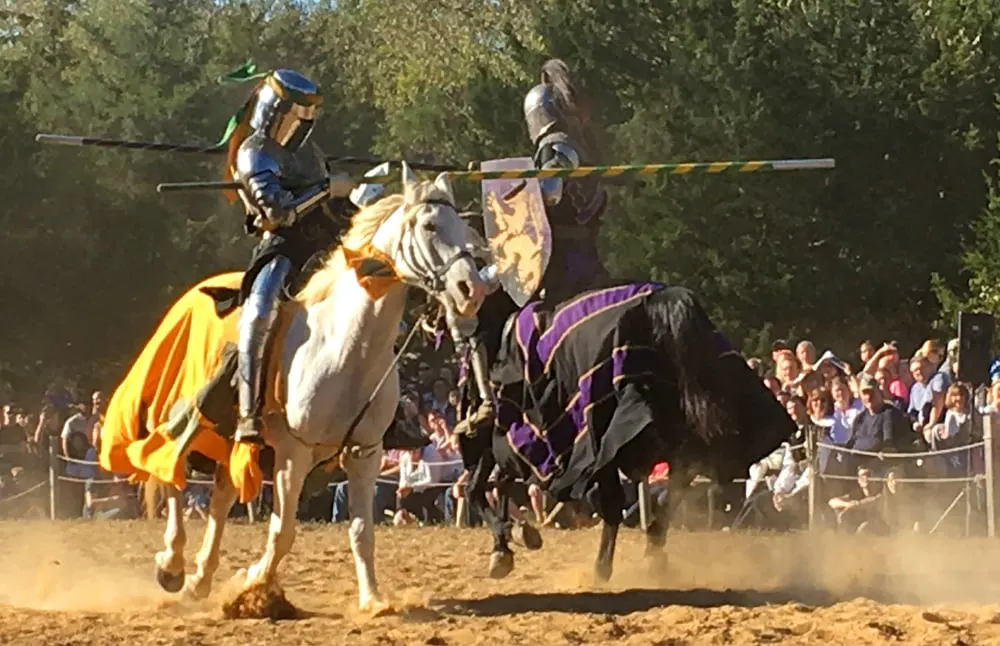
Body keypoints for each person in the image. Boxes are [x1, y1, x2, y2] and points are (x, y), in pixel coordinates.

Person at [226, 68, 358, 445]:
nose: (297, 126)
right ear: (274, 111)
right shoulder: (255, 152)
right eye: (291, 115)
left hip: (324, 244)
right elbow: (276, 214)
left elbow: (336, 206)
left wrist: (354, 198)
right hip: (284, 247)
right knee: (261, 309)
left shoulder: (311, 154)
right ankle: (248, 412)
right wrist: (325, 189)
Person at [522, 58, 611, 304]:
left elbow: (548, 192)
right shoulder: (580, 148)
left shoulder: (557, 145)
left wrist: (518, 191)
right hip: (586, 255)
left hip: (561, 263)